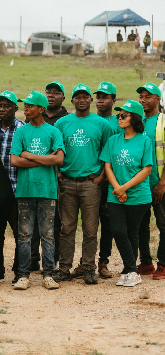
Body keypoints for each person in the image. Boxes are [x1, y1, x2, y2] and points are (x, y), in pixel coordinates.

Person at [53, 84, 111, 285]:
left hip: (90, 183)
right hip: (67, 182)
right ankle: (64, 268)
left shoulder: (102, 124)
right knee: (66, 228)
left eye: (85, 97)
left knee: (90, 229)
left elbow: (108, 153)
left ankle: (88, 268)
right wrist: (58, 174)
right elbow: (55, 150)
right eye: (77, 97)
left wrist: (101, 176)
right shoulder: (62, 123)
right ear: (72, 101)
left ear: (91, 100)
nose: (82, 100)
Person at [10, 91, 65, 290]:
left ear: (41, 109)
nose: (25, 108)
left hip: (47, 190)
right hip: (24, 190)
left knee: (48, 234)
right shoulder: (21, 132)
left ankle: (48, 274)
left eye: (30, 105)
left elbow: (59, 159)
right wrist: (44, 160)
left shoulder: (53, 131)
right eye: (25, 106)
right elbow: (14, 160)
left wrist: (29, 155)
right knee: (24, 234)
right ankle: (23, 275)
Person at [99, 100, 153, 287]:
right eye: (118, 116)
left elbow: (146, 169)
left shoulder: (145, 140)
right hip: (115, 194)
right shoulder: (113, 140)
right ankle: (132, 270)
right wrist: (117, 188)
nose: (119, 118)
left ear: (135, 118)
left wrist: (124, 188)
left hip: (138, 196)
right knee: (118, 230)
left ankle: (128, 271)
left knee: (132, 232)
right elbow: (107, 165)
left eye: (124, 115)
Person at [0, 90, 25, 285]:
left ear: (16, 108)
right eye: (0, 106)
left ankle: (19, 270)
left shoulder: (23, 130)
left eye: (7, 106)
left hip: (18, 189)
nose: (2, 109)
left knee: (20, 233)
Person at [28, 81, 69, 271]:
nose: (52, 95)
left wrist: (58, 170)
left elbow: (61, 152)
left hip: (58, 178)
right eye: (48, 92)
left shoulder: (66, 120)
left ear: (63, 97)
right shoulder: (35, 117)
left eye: (56, 92)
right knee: (33, 220)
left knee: (54, 221)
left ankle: (52, 260)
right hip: (34, 176)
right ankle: (33, 257)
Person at [137, 82, 165, 279]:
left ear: (158, 99)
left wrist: (162, 183)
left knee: (163, 225)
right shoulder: (137, 122)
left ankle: (162, 265)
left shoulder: (163, 121)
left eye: (148, 96)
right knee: (140, 225)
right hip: (140, 185)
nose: (143, 100)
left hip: (159, 184)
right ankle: (146, 263)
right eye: (141, 97)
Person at [93, 82, 119, 278]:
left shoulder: (118, 123)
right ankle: (84, 261)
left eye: (105, 96)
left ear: (113, 100)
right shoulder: (89, 120)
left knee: (107, 222)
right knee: (89, 223)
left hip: (109, 181)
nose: (100, 100)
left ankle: (103, 261)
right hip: (90, 181)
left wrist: (106, 177)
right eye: (99, 96)